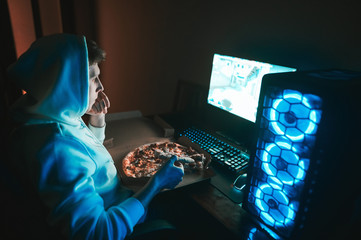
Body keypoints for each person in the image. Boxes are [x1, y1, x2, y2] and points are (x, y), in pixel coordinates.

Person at [7, 33, 184, 239]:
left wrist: (98, 120)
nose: (100, 86)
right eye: (93, 77)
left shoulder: (49, 116)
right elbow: (97, 233)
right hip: (122, 220)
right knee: (186, 209)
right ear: (68, 83)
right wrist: (156, 185)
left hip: (118, 199)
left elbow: (86, 155)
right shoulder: (56, 149)